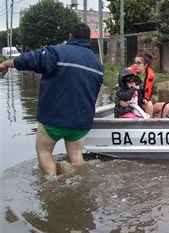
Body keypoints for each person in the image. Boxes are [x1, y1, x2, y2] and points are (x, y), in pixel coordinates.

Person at [0, 23, 103, 176]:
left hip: (53, 119)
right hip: (81, 122)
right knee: (76, 156)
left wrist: (6, 63)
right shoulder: (98, 65)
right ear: (89, 39)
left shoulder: (57, 52)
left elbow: (31, 60)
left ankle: (51, 184)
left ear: (70, 36)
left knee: (44, 152)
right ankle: (80, 185)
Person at [126, 52, 169, 117]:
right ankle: (149, 125)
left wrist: (150, 101)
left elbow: (155, 94)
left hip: (144, 104)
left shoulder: (151, 77)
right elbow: (116, 92)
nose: (135, 65)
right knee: (149, 106)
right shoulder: (128, 74)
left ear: (145, 65)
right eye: (135, 62)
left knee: (166, 106)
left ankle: (155, 123)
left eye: (139, 63)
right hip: (132, 105)